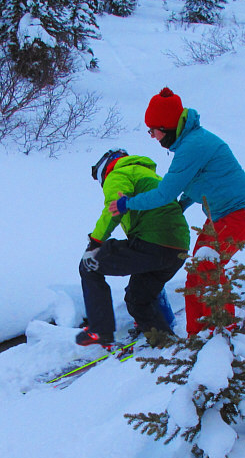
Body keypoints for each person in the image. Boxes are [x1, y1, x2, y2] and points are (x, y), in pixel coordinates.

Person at [110, 88, 245, 335]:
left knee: (208, 268)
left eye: (153, 130)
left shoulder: (193, 146)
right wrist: (180, 207)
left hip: (242, 211)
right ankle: (197, 335)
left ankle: (225, 329)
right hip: (221, 215)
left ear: (167, 127)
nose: (152, 136)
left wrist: (127, 203)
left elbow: (164, 193)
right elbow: (196, 185)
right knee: (197, 273)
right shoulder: (190, 144)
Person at [77, 149, 190, 347]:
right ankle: (167, 345)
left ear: (105, 169)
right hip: (177, 249)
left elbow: (114, 207)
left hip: (153, 242)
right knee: (138, 298)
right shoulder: (151, 174)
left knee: (89, 264)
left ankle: (100, 329)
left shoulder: (119, 173)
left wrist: (95, 242)